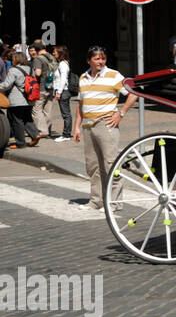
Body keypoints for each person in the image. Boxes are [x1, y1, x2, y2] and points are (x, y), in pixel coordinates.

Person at [73, 46, 139, 210]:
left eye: (103, 58)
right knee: (93, 166)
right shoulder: (83, 77)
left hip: (106, 124)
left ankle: (115, 202)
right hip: (88, 126)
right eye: (97, 58)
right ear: (89, 60)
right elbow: (80, 104)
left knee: (111, 164)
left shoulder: (114, 75)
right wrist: (76, 127)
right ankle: (97, 201)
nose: (100, 61)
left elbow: (134, 92)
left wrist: (121, 113)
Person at [1, 52, 40, 148]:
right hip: (29, 98)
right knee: (27, 119)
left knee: (17, 121)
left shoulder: (13, 70)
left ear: (16, 59)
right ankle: (35, 135)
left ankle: (20, 143)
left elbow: (6, 85)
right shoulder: (30, 69)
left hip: (17, 100)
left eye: (13, 58)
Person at [28, 40, 57, 139]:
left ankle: (42, 130)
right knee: (47, 110)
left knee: (36, 110)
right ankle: (47, 129)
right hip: (51, 87)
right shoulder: (51, 57)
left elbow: (38, 73)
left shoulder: (38, 59)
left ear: (36, 49)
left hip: (41, 88)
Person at [52, 45, 72, 141]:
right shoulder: (62, 64)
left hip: (63, 91)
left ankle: (66, 135)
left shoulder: (62, 65)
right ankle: (66, 134)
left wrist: (59, 92)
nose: (53, 53)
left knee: (66, 114)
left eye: (55, 51)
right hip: (63, 91)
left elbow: (63, 79)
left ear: (60, 53)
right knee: (66, 114)